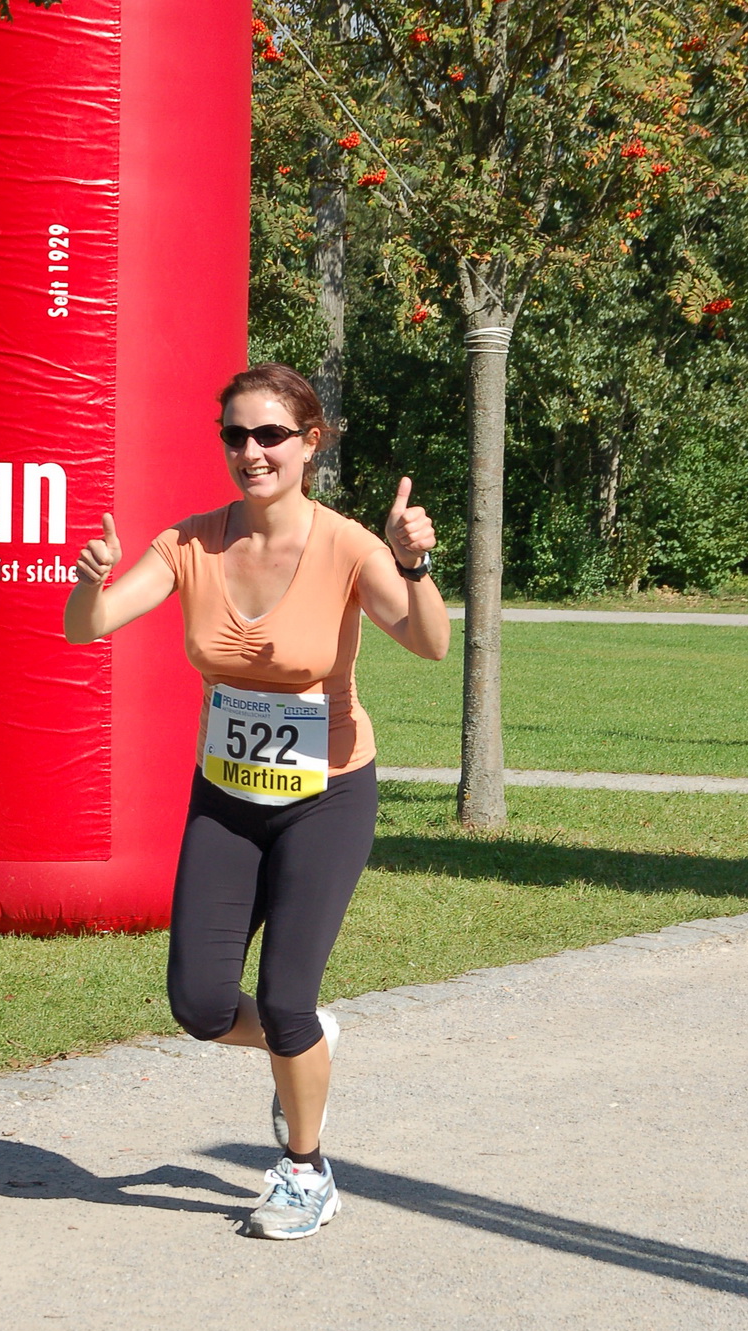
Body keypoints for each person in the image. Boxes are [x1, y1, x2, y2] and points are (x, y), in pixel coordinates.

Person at [64, 362, 449, 1239]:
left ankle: (305, 1169)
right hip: (227, 799)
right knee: (200, 1005)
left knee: (281, 998)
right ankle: (305, 1041)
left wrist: (413, 561)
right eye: (235, 434)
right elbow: (88, 625)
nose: (250, 451)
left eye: (270, 434)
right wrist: (92, 575)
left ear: (310, 443)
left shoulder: (350, 545)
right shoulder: (191, 542)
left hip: (327, 796)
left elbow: (428, 644)